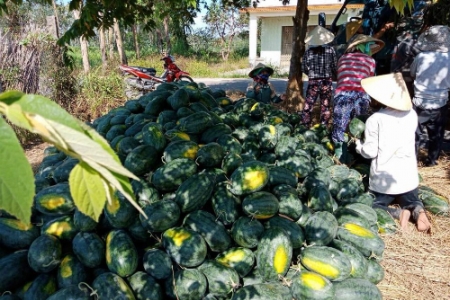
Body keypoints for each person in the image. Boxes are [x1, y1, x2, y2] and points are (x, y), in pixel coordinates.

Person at [355, 73, 431, 233]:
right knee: (412, 200)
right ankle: (417, 211)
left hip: (384, 181)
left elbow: (369, 152)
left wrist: (357, 145)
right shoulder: (412, 114)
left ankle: (398, 213)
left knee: (373, 206)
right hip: (408, 178)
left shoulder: (375, 119)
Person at [331, 34, 384, 163]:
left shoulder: (342, 58)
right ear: (365, 47)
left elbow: (340, 76)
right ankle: (359, 153)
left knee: (340, 124)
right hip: (361, 96)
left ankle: (339, 154)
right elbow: (369, 80)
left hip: (343, 94)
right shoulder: (370, 61)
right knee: (360, 126)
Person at [410, 25, 450, 167]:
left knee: (415, 134)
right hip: (440, 102)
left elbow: (412, 73)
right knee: (436, 135)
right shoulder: (448, 58)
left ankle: (412, 160)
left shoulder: (421, 57)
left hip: (420, 101)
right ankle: (431, 161)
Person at [301, 25, 337, 128]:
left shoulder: (308, 52)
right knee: (325, 106)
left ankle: (305, 126)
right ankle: (323, 128)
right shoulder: (331, 50)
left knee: (308, 105)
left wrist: (312, 74)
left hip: (313, 82)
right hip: (327, 81)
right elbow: (335, 66)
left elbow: (303, 68)